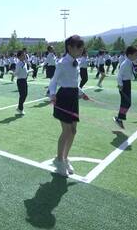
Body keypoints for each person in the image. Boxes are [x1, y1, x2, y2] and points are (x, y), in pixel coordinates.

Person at [48, 35, 89, 176]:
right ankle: (59, 161)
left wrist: (81, 93)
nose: (81, 50)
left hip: (73, 97)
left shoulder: (76, 62)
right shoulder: (61, 63)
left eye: (82, 48)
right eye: (79, 47)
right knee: (66, 131)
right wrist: (52, 94)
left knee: (73, 131)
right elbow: (53, 81)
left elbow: (74, 83)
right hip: (63, 97)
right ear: (70, 47)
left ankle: (65, 158)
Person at [113, 46, 137, 130]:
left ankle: (119, 118)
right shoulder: (125, 63)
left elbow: (136, 71)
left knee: (126, 103)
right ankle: (119, 119)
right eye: (135, 55)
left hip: (127, 83)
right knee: (126, 103)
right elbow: (119, 75)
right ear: (130, 55)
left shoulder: (131, 62)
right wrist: (120, 85)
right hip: (124, 84)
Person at [14, 50, 33, 115]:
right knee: (22, 95)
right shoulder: (18, 64)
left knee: (25, 95)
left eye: (24, 55)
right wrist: (13, 74)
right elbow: (16, 73)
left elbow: (25, 72)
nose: (24, 56)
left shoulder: (24, 63)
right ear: (19, 57)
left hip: (24, 80)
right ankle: (20, 109)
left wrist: (30, 71)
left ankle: (19, 108)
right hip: (20, 81)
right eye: (23, 55)